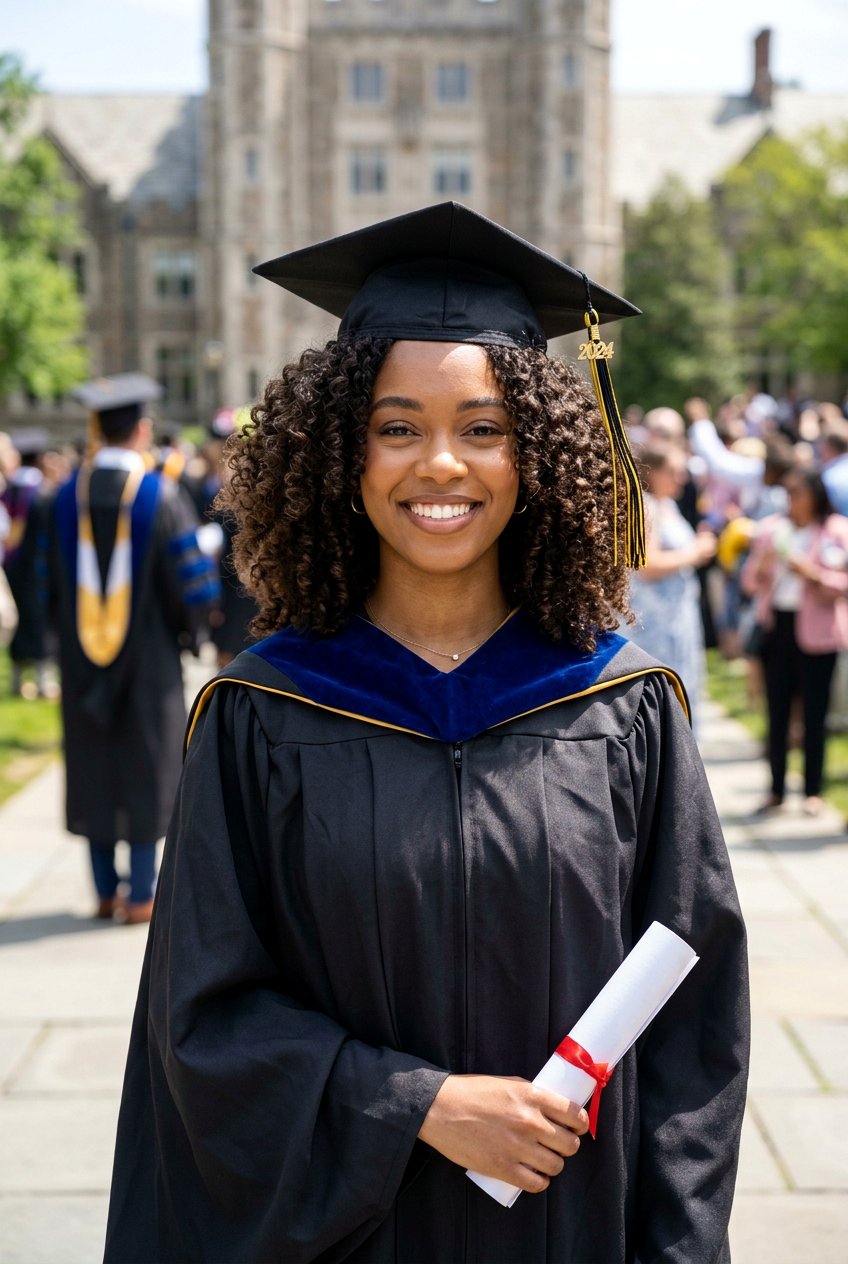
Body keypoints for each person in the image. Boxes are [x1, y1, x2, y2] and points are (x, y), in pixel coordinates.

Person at [105, 203, 748, 1263]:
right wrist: (413, 1105)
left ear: (533, 452)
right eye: (396, 425)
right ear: (339, 456)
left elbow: (695, 1027)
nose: (439, 463)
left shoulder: (620, 708)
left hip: (569, 1231)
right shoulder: (265, 713)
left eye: (482, 427)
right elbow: (202, 1024)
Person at [48, 374, 219, 923]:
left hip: (79, 661)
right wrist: (193, 631)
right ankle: (142, 893)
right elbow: (190, 582)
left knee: (95, 762)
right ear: (142, 430)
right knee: (147, 765)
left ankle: (103, 890)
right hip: (148, 661)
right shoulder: (160, 496)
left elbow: (39, 582)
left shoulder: (60, 499)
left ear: (97, 429)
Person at [741, 465, 848, 816]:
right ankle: (776, 789)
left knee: (815, 715)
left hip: (818, 633)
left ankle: (812, 791)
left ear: (815, 495)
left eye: (797, 493)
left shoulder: (835, 531)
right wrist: (762, 567)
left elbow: (842, 584)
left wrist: (813, 574)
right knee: (777, 711)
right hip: (778, 629)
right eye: (788, 493)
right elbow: (749, 582)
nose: (791, 500)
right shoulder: (773, 529)